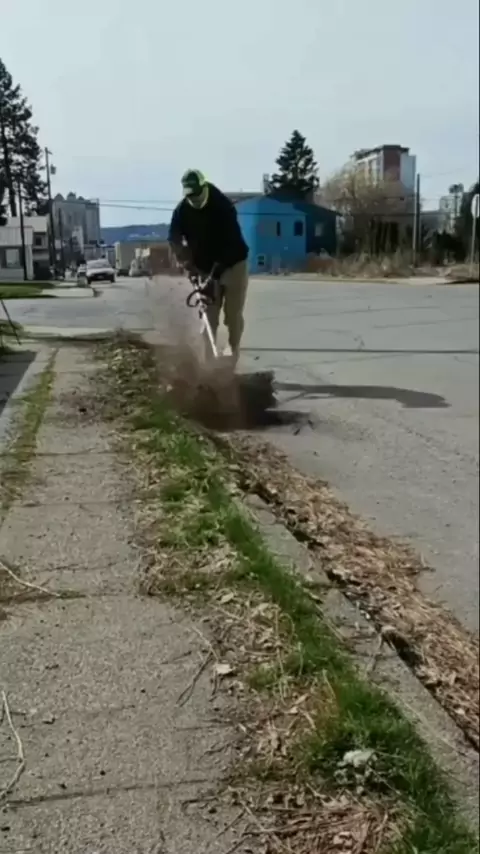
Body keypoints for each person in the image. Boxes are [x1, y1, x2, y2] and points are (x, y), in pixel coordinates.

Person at [168, 169, 249, 365]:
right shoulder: (181, 211)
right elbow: (174, 240)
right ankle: (209, 367)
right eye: (190, 195)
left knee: (233, 316)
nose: (194, 198)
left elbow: (230, 243)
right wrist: (186, 263)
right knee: (208, 317)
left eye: (197, 194)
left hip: (233, 264)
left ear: (204, 187)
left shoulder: (222, 205)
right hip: (204, 267)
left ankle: (232, 354)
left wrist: (215, 274)